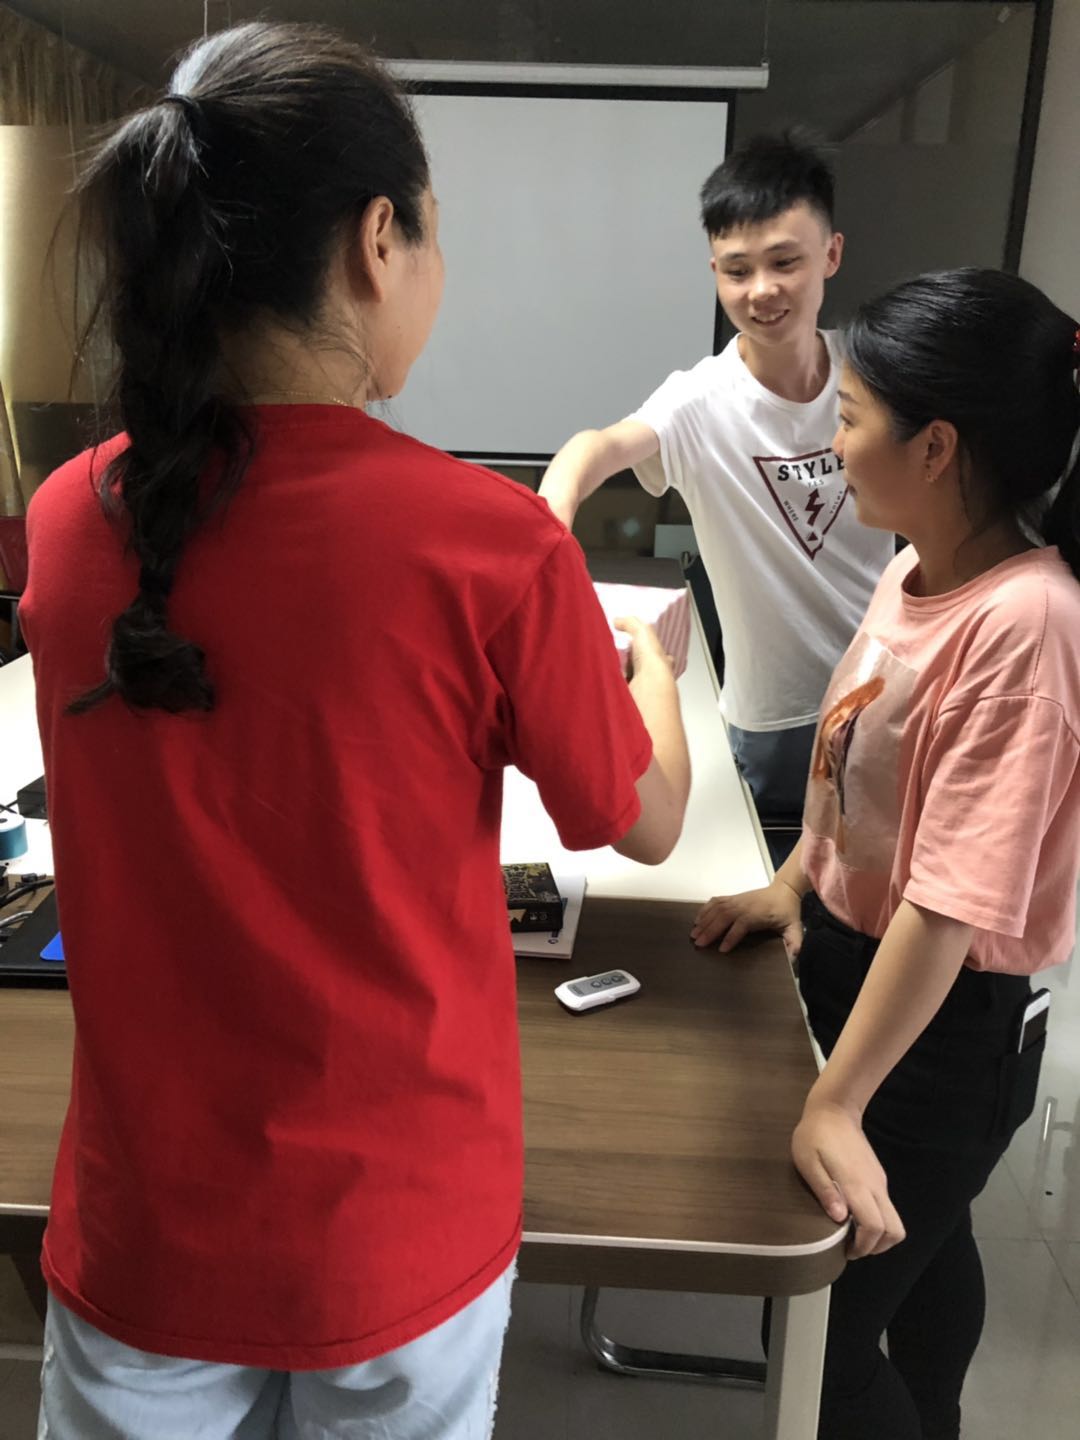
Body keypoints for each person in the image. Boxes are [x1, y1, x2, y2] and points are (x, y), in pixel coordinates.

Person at [19, 22, 691, 1440]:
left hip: (149, 1229)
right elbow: (642, 822)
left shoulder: (75, 515)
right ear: (377, 240)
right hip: (397, 1236)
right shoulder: (491, 547)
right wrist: (653, 676)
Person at [692, 268, 1080, 1440]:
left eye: (851, 418)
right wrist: (793, 884)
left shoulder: (1026, 625)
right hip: (863, 970)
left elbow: (949, 904)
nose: (833, 444)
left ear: (937, 446)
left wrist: (837, 1102)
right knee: (931, 1247)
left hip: (944, 1025)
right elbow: (853, 766)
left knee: (817, 1335)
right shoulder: (917, 568)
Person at [539, 133, 894, 860]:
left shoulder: (875, 375)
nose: (761, 289)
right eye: (738, 270)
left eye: (785, 262)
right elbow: (597, 446)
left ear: (831, 254)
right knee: (776, 884)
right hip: (773, 717)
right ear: (715, 274)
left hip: (887, 691)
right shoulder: (698, 401)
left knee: (878, 880)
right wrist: (549, 524)